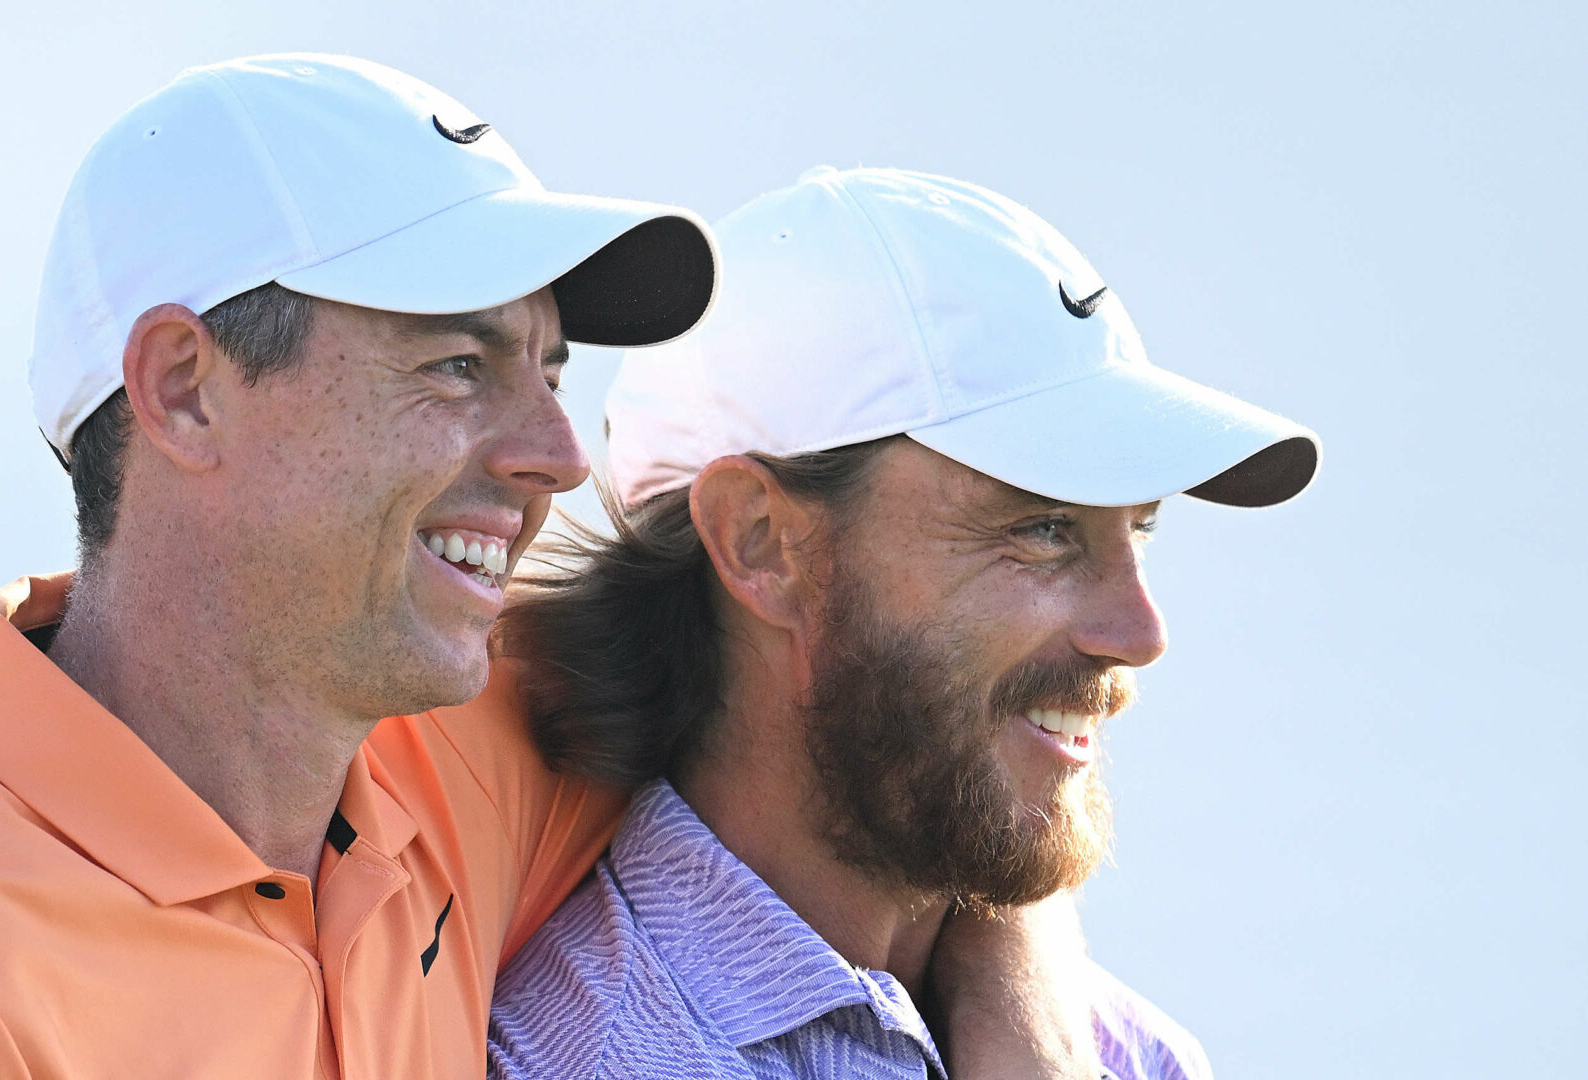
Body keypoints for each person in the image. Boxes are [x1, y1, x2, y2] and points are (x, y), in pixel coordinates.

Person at [0, 54, 717, 1078]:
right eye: (455, 367)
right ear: (181, 390)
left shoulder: (470, 743)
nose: (562, 456)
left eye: (547, 372)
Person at [488, 167, 1321, 1079]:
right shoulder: (589, 1058)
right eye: (1043, 529)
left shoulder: (1132, 1050)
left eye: (1140, 530)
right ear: (763, 543)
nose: (1139, 632)